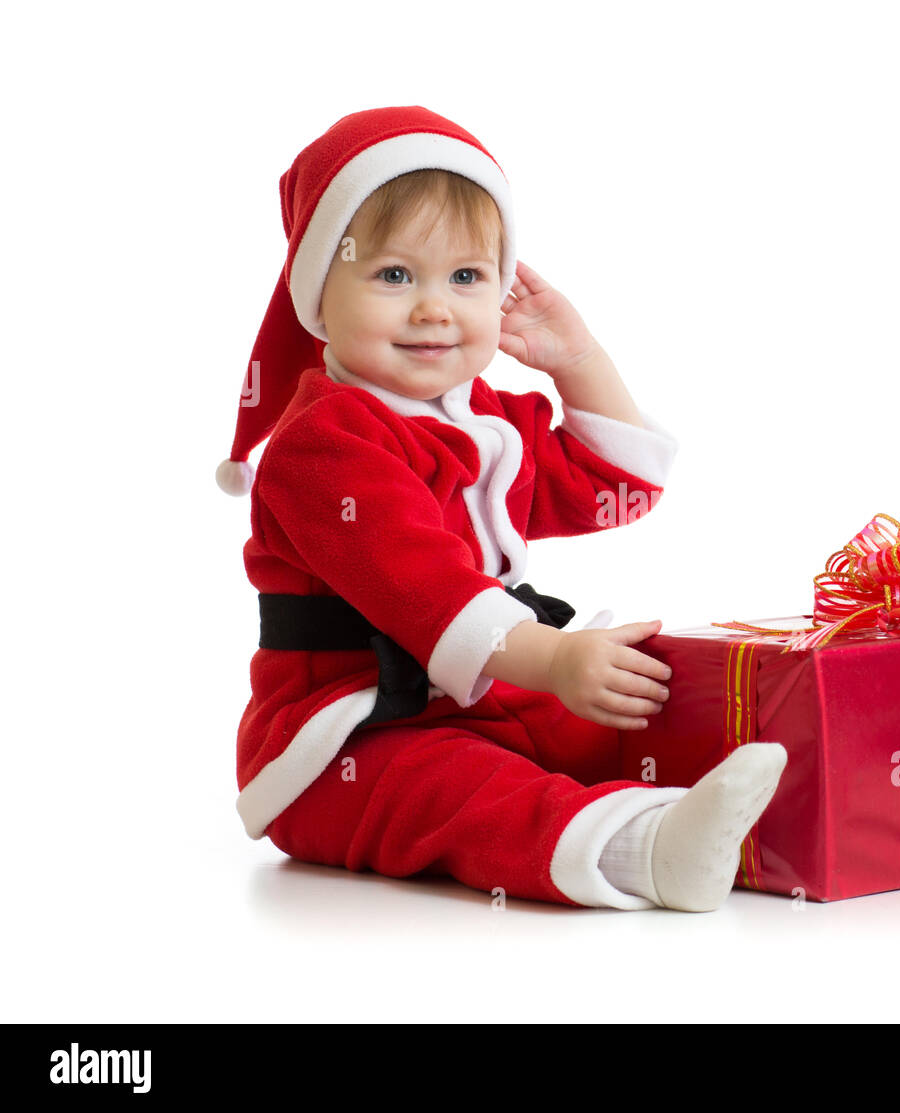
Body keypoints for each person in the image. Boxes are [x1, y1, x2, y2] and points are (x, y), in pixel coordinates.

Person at [217, 106, 787, 911]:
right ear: (318, 291)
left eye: (465, 277)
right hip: (350, 735)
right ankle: (642, 849)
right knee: (454, 789)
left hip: (486, 690)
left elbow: (609, 484)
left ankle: (759, 797)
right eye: (392, 276)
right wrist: (555, 659)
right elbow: (425, 586)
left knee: (628, 713)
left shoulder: (484, 419)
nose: (433, 308)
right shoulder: (321, 445)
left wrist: (579, 360)